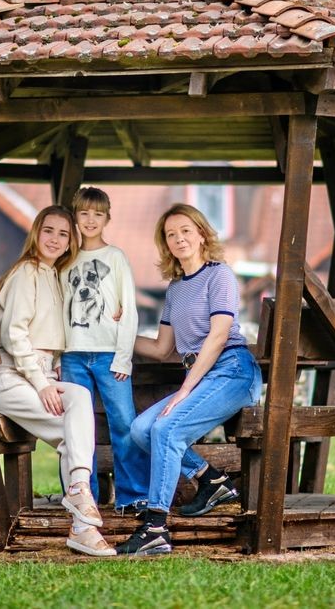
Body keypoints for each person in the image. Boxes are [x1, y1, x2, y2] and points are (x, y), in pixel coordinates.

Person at [116, 204, 262, 556]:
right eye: (170, 234)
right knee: (140, 430)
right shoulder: (175, 290)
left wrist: (185, 389)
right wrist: (117, 333)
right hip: (202, 377)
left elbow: (217, 336)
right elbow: (162, 348)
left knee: (165, 430)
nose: (179, 238)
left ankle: (155, 528)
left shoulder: (220, 275)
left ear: (200, 234)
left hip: (232, 371)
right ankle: (211, 480)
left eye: (185, 230)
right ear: (165, 244)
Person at [0, 205, 115, 557]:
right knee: (69, 430)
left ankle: (77, 493)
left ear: (72, 240)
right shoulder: (27, 271)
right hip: (11, 378)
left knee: (78, 398)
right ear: (35, 233)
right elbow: (14, 336)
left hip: (36, 373)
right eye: (48, 230)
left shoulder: (54, 276)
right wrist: (42, 382)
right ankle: (84, 526)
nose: (55, 239)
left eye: (63, 233)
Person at [59, 187, 148, 514]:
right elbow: (56, 311)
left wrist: (124, 356)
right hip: (72, 356)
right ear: (75, 217)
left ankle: (131, 496)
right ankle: (83, 499)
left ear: (107, 218)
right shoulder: (65, 261)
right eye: (84, 213)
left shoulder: (116, 258)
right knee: (76, 429)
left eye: (98, 213)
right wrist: (55, 357)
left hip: (110, 355)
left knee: (124, 424)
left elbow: (130, 310)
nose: (91, 219)